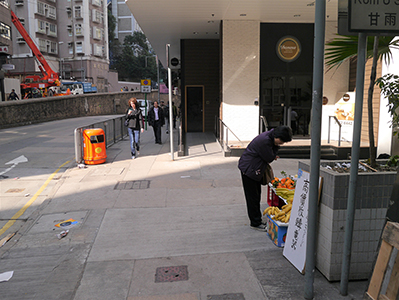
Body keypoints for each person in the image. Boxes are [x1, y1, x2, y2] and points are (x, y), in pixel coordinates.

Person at [238, 126, 292, 231]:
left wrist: (274, 150)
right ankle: (255, 222)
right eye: (281, 141)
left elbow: (270, 154)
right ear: (277, 136)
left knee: (256, 195)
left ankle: (256, 219)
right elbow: (269, 157)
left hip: (253, 168)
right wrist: (274, 152)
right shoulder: (265, 141)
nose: (281, 144)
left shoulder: (269, 137)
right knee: (252, 197)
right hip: (249, 169)